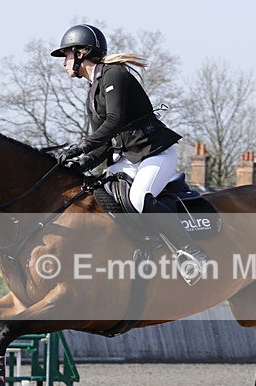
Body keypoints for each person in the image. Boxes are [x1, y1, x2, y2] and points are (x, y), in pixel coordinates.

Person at [51, 24, 209, 285]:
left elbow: (114, 121)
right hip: (129, 159)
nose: (64, 62)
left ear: (81, 53)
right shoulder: (93, 90)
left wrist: (81, 145)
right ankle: (144, 245)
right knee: (95, 192)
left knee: (138, 198)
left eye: (66, 54)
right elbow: (103, 144)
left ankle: (194, 255)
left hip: (155, 154)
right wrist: (80, 163)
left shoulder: (114, 76)